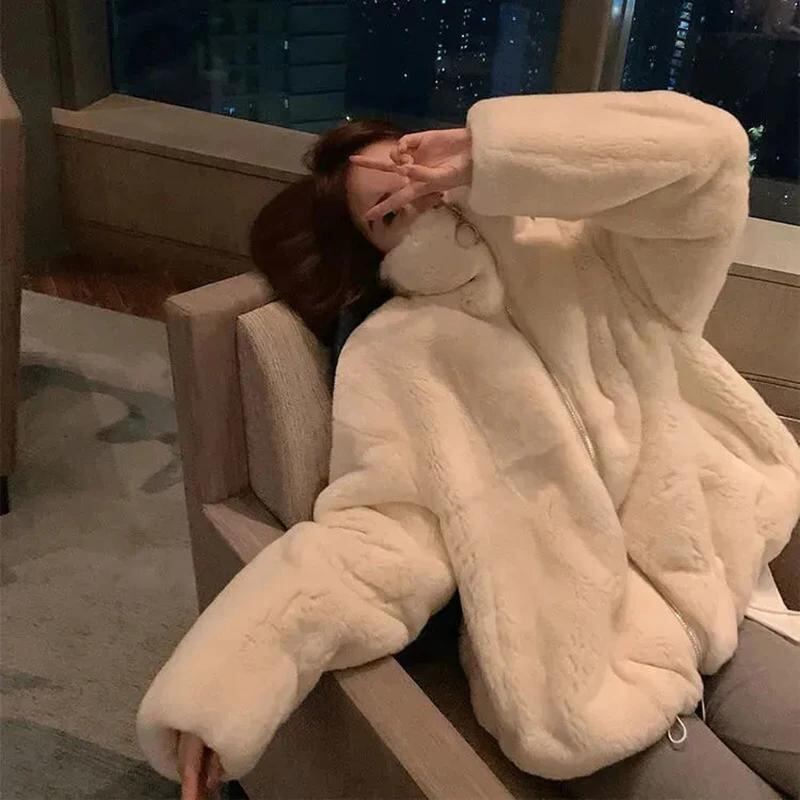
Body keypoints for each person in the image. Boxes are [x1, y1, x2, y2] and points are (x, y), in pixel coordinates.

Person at [137, 91, 800, 800]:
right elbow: (379, 543)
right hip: (588, 682)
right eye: (388, 213)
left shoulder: (598, 253)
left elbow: (711, 160)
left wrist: (500, 154)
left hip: (722, 593)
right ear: (373, 252)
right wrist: (225, 688)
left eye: (410, 167)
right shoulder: (397, 352)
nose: (423, 200)